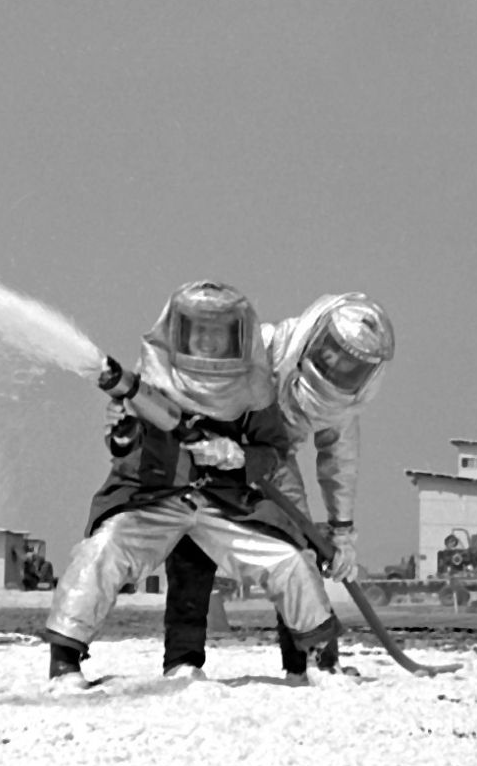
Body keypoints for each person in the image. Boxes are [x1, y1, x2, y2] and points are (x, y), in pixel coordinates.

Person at [41, 281, 341, 685]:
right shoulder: (150, 378)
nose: (207, 341)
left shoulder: (255, 386)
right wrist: (124, 432)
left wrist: (238, 456)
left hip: (228, 501)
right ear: (179, 331)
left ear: (236, 337)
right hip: (155, 497)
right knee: (102, 551)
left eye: (217, 333)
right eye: (199, 331)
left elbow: (273, 449)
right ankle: (65, 663)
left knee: (289, 561)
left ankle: (320, 661)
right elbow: (124, 448)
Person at [154, 291, 396, 680]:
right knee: (191, 546)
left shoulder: (343, 406)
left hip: (274, 461)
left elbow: (339, 464)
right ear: (316, 335)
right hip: (212, 448)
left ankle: (313, 663)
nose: (336, 365)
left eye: (351, 365)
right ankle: (182, 661)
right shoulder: (261, 347)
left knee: (298, 550)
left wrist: (342, 531)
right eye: (333, 353)